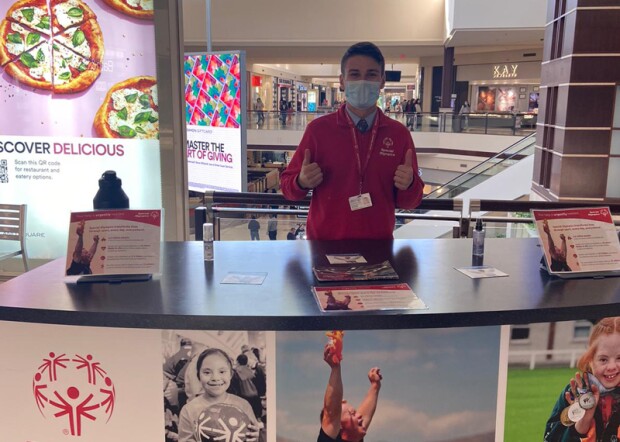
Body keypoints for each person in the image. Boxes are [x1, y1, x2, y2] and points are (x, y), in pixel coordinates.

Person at [280, 41, 424, 240]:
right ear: (342, 81)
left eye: (371, 74)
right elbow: (288, 189)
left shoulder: (398, 134)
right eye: (355, 74)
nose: (363, 81)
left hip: (378, 252)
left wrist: (409, 185)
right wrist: (301, 182)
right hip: (325, 248)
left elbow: (411, 203)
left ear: (382, 81)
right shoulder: (318, 130)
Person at [544, 317, 620, 441]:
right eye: (603, 359)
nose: (612, 367)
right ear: (590, 360)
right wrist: (583, 423)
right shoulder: (573, 393)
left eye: (619, 358)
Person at [178, 348, 261, 442]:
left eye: (222, 372)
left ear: (230, 374)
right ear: (198, 376)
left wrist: (254, 437)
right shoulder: (188, 410)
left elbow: (252, 436)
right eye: (207, 372)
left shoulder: (243, 405)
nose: (215, 378)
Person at [318, 336, 382, 442]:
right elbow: (331, 414)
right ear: (339, 426)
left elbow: (364, 417)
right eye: (352, 414)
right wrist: (335, 367)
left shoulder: (354, 438)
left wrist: (375, 386)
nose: (360, 416)